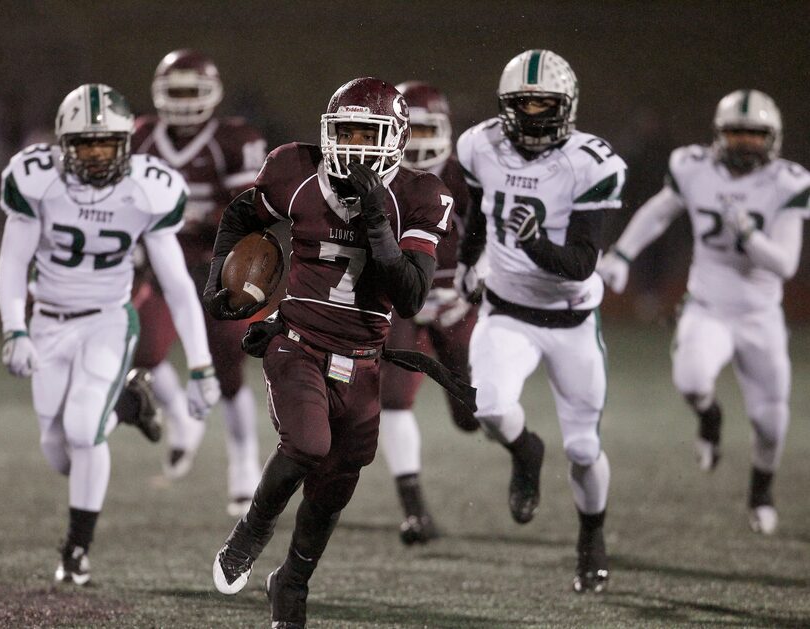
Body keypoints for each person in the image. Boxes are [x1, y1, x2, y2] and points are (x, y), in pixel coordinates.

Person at [204, 77, 453, 628]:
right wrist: (216, 288)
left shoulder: (419, 195)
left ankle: (291, 583)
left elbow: (409, 296)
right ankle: (251, 530)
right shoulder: (295, 172)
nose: (355, 145)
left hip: (364, 361)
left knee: (336, 486)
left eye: (370, 132)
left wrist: (376, 223)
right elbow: (241, 217)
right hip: (297, 343)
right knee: (307, 443)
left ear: (396, 139)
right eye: (346, 132)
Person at [0, 84, 220, 584]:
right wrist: (15, 329)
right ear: (62, 145)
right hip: (48, 320)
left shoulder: (148, 187)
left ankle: (76, 550)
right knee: (58, 451)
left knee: (81, 430)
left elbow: (178, 283)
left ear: (125, 145)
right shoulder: (36, 179)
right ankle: (128, 406)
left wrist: (201, 365)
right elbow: (12, 261)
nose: (96, 157)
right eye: (84, 145)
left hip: (108, 319)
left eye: (106, 145)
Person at [598, 89, 810, 535]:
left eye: (754, 136)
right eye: (736, 134)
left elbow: (786, 263)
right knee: (691, 381)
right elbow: (659, 212)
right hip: (708, 304)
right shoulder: (693, 167)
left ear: (771, 139)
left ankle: (761, 489)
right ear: (719, 135)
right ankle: (710, 418)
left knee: (771, 421)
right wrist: (621, 255)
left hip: (760, 315)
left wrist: (749, 234)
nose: (744, 144)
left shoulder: (788, 182)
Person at [455, 50, 627, 594]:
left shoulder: (592, 163)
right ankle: (525, 451)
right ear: (505, 106)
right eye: (522, 103)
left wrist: (532, 243)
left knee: (582, 449)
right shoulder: (478, 144)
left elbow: (580, 262)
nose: (532, 114)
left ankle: (590, 538)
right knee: (487, 405)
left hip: (570, 318)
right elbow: (476, 213)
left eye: (543, 104)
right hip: (506, 312)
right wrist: (466, 262)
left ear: (566, 107)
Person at [132, 49, 268, 516]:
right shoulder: (143, 136)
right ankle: (179, 418)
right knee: (144, 349)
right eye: (177, 91)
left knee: (229, 370)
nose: (185, 102)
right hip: (159, 266)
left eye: (193, 91)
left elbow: (249, 210)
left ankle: (244, 461)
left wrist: (188, 215)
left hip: (219, 267)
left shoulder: (233, 138)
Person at [378, 80, 479, 546]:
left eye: (426, 130)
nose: (417, 142)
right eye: (408, 130)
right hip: (403, 305)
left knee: (475, 414)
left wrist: (475, 291)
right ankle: (414, 509)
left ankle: (522, 451)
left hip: (461, 306)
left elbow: (495, 244)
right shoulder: (377, 178)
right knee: (393, 401)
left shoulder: (469, 178)